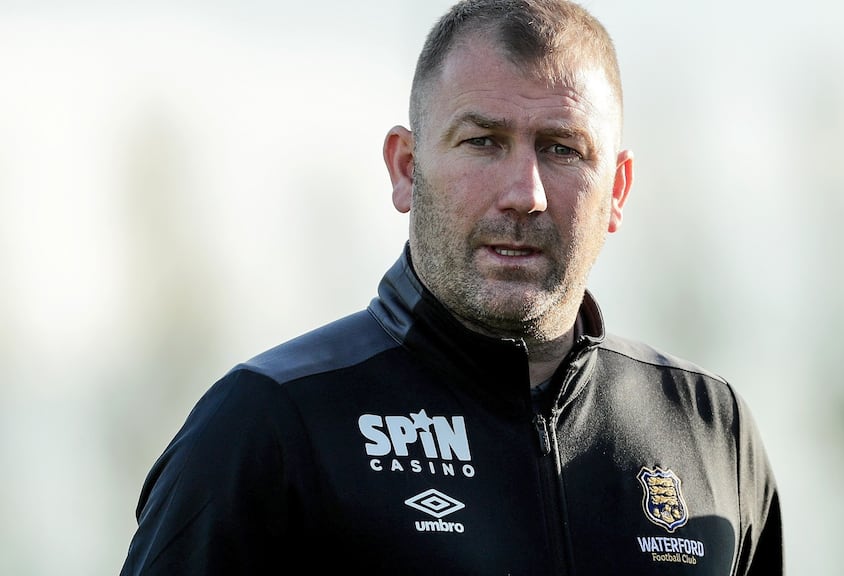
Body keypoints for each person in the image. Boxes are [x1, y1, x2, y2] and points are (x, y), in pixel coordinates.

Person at [119, 0, 784, 574]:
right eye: (483, 141)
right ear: (407, 169)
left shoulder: (710, 431)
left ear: (617, 189)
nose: (525, 195)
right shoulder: (273, 423)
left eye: (562, 148)